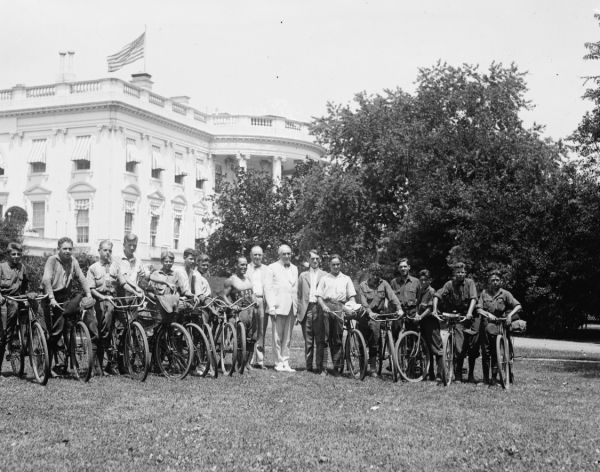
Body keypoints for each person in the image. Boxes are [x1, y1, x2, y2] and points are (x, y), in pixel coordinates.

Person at [42, 237, 94, 376]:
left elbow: (82, 278)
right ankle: (45, 366)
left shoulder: (73, 261)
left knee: (68, 327)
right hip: (50, 297)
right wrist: (51, 298)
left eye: (70, 249)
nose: (67, 251)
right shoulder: (52, 260)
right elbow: (46, 279)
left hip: (65, 297)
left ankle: (63, 364)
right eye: (64, 248)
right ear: (59, 248)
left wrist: (89, 294)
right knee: (55, 332)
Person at [87, 240, 136, 375]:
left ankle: (112, 364)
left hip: (113, 300)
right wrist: (102, 297)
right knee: (100, 333)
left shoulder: (115, 266)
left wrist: (136, 291)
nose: (107, 253)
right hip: (99, 301)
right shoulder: (93, 268)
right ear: (99, 251)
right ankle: (97, 366)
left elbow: (123, 282)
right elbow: (91, 289)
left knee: (117, 330)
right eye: (105, 250)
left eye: (110, 250)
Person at [432, 262, 479, 382]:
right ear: (454, 273)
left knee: (473, 346)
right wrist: (434, 309)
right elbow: (438, 294)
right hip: (457, 316)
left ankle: (471, 375)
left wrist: (469, 313)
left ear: (465, 273)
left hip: (471, 315)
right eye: (458, 272)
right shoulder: (449, 284)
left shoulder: (470, 283)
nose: (460, 274)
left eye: (462, 272)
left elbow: (473, 298)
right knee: (458, 347)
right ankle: (457, 373)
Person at [476, 270, 522, 385]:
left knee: (496, 352)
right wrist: (488, 314)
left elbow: (518, 305)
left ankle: (495, 378)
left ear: (500, 281)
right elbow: (479, 308)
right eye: (493, 280)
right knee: (485, 353)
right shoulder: (484, 293)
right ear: (489, 282)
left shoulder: (505, 294)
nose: (495, 282)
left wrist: (510, 316)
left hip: (500, 326)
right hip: (486, 325)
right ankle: (486, 379)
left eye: (497, 280)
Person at [357, 262, 401, 377]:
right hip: (364, 315)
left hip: (378, 316)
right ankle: (362, 368)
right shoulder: (363, 285)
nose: (375, 276)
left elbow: (392, 296)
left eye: (377, 274)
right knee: (363, 343)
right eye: (373, 274)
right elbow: (363, 301)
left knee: (374, 341)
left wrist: (399, 308)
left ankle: (373, 368)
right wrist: (369, 312)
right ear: (369, 273)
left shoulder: (384, 284)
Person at [316, 254, 357, 376]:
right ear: (329, 265)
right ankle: (323, 369)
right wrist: (324, 306)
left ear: (341, 265)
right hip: (326, 308)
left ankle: (337, 368)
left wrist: (351, 307)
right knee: (325, 339)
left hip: (340, 308)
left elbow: (352, 297)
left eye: (338, 264)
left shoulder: (346, 278)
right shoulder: (325, 278)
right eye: (333, 264)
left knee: (337, 339)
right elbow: (318, 296)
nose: (335, 266)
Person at [0, 242, 33, 373]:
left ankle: (29, 340)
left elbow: (25, 284)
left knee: (32, 306)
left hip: (17, 299)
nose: (16, 256)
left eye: (19, 254)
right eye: (13, 254)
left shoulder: (22, 267)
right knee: (4, 334)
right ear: (8, 255)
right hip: (4, 301)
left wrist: (26, 296)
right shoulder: (1, 267)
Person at [266, 244, 298, 373]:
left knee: (288, 337)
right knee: (277, 336)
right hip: (278, 307)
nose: (286, 256)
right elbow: (268, 288)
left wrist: (296, 307)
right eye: (284, 254)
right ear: (279, 255)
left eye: (289, 253)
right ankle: (278, 362)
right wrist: (271, 306)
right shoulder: (272, 268)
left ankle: (286, 362)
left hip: (291, 307)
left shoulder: (295, 268)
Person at [223, 256, 258, 370]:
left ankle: (247, 363)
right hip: (239, 312)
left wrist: (255, 299)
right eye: (241, 264)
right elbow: (223, 295)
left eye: (246, 264)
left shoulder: (248, 279)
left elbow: (252, 293)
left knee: (252, 338)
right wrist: (231, 305)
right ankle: (239, 363)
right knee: (240, 339)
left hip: (251, 311)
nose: (244, 267)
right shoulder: (231, 280)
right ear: (236, 265)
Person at [297, 249, 326, 373]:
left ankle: (320, 367)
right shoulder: (302, 276)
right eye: (312, 258)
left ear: (320, 260)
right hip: (307, 309)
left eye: (317, 258)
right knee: (308, 340)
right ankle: (308, 367)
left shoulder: (325, 275)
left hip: (319, 309)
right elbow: (298, 295)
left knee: (320, 339)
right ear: (308, 260)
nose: (315, 260)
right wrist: (298, 312)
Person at [414, 269, 442, 380]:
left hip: (431, 322)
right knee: (426, 348)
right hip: (422, 322)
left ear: (429, 280)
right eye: (421, 280)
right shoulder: (420, 290)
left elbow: (430, 308)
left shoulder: (431, 291)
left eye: (425, 280)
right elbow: (417, 304)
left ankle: (440, 373)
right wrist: (417, 314)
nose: (423, 282)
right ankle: (430, 373)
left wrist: (420, 316)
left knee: (436, 347)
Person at [246, 245, 272, 369]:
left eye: (259, 255)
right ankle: (248, 360)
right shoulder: (245, 268)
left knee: (261, 330)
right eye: (255, 254)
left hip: (262, 300)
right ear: (251, 255)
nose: (257, 257)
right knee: (250, 330)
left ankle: (260, 361)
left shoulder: (266, 269)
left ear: (262, 256)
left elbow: (268, 287)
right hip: (249, 300)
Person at [390, 258, 420, 339]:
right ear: (398, 268)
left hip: (412, 312)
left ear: (409, 267)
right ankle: (395, 351)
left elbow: (419, 299)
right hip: (399, 312)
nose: (403, 269)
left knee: (413, 336)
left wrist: (417, 313)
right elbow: (391, 299)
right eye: (401, 267)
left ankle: (413, 351)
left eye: (405, 266)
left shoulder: (416, 281)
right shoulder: (393, 282)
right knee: (395, 334)